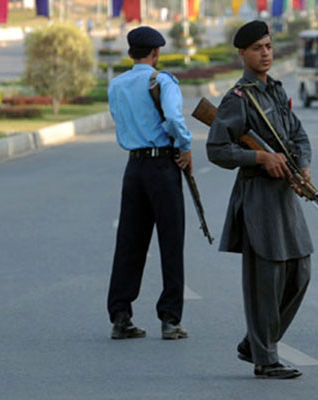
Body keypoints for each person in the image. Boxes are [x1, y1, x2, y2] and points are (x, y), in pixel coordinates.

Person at [206, 21, 312, 379]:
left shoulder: (276, 92)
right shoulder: (237, 99)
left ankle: (256, 343)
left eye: (268, 46)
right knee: (264, 280)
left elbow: (297, 134)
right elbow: (217, 149)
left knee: (300, 272)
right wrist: (259, 158)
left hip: (285, 193)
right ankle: (265, 358)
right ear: (242, 54)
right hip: (257, 197)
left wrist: (304, 165)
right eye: (257, 48)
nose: (265, 53)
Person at [106, 26, 192, 340]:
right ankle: (170, 319)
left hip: (134, 167)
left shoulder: (117, 84)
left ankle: (120, 315)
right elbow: (172, 117)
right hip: (162, 166)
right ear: (155, 54)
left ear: (131, 53)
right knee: (171, 242)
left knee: (129, 242)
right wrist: (184, 144)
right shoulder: (162, 80)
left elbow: (119, 119)